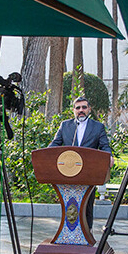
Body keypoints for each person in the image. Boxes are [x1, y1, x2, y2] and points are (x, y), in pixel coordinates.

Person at [49, 96, 112, 229]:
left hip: (88, 174)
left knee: (86, 206)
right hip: (68, 173)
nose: (81, 110)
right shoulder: (65, 125)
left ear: (89, 109)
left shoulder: (98, 127)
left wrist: (109, 157)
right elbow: (55, 144)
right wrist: (46, 155)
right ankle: (69, 233)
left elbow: (105, 146)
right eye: (78, 108)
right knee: (69, 205)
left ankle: (87, 235)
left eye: (84, 107)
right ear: (73, 110)